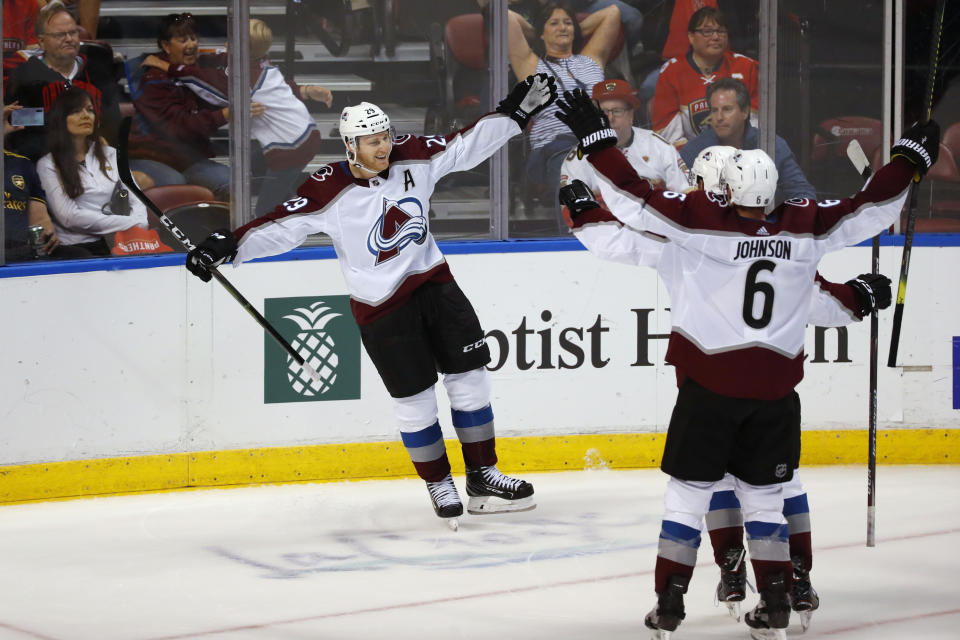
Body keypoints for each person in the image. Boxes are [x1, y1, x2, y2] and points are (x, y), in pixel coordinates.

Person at [553, 87, 936, 638]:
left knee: (688, 496)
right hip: (776, 397)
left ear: (722, 188)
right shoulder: (803, 231)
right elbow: (864, 212)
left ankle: (670, 601)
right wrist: (907, 164)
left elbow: (629, 207)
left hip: (708, 390)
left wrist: (592, 159)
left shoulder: (694, 229)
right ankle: (781, 593)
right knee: (770, 495)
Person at [183, 75, 558, 526]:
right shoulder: (327, 188)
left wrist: (514, 114)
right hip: (382, 307)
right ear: (350, 146)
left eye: (385, 137)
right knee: (415, 400)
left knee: (470, 379)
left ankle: (483, 474)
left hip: (434, 283)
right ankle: (438, 481)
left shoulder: (412, 157)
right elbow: (281, 226)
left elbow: (464, 144)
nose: (383, 147)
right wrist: (228, 246)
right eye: (372, 141)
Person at [167, 19, 331, 215]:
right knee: (252, 167)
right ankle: (296, 205)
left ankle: (296, 216)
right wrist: (307, 90)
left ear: (237, 49)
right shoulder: (260, 63)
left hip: (290, 147)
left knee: (265, 209)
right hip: (304, 134)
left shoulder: (244, 77)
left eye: (231, 41)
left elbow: (202, 81)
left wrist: (166, 65)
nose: (225, 44)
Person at [507, 2, 622, 203]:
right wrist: (539, 32)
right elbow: (505, 17)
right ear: (542, 33)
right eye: (554, 24)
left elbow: (612, 13)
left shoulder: (591, 59)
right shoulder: (531, 65)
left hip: (596, 143)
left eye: (568, 23)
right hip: (556, 147)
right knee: (574, 184)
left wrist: (569, 30)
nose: (562, 27)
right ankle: (573, 233)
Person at [126, 12, 233, 199]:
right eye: (183, 40)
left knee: (233, 183)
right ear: (166, 46)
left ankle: (225, 228)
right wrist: (222, 115)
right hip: (151, 157)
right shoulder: (153, 80)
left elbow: (225, 69)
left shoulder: (194, 71)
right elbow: (179, 127)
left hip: (188, 160)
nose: (191, 44)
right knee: (176, 184)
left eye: (193, 38)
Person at [37, 87, 148, 256]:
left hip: (122, 240)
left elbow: (136, 197)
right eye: (75, 111)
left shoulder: (110, 153)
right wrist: (129, 223)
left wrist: (140, 223)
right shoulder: (48, 164)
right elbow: (69, 217)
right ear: (60, 119)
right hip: (78, 248)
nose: (85, 115)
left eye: (89, 110)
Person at [5, 0, 121, 161]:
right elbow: (18, 120)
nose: (69, 39)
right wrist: (64, 124)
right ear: (42, 42)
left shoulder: (97, 73)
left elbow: (113, 121)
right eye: (60, 35)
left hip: (98, 158)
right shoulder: (25, 76)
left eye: (73, 33)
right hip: (44, 161)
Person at [681, 77, 816, 203]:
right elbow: (680, 196)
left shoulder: (771, 145)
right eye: (714, 110)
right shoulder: (694, 150)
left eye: (727, 109)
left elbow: (802, 193)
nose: (719, 117)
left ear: (745, 112)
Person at [560, 78, 690, 206]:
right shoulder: (578, 158)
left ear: (631, 116)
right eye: (603, 112)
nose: (610, 118)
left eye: (617, 111)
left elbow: (687, 197)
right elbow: (574, 214)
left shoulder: (659, 146)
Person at [651, 6, 758, 148]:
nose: (716, 37)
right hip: (691, 159)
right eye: (707, 32)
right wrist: (696, 160)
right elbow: (668, 135)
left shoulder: (745, 67)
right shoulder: (672, 72)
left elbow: (756, 125)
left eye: (721, 31)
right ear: (691, 37)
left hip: (740, 155)